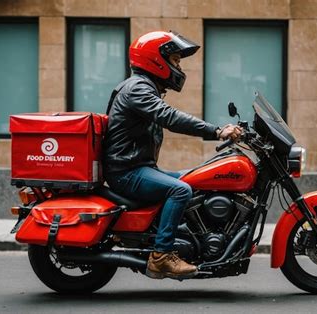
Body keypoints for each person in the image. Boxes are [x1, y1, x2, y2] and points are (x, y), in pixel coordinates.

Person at [102, 31, 242, 280]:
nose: (178, 66)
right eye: (175, 60)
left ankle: (185, 237)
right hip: (126, 172)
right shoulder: (138, 89)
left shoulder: (143, 87)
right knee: (180, 190)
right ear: (155, 60)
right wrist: (217, 131)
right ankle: (162, 256)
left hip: (137, 166)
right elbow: (170, 117)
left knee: (192, 179)